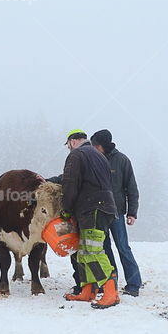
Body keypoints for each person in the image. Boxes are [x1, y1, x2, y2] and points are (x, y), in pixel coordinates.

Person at [59, 129, 119, 308]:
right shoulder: (98, 155)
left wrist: (66, 210)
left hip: (92, 207)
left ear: (73, 141)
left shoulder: (77, 155)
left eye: (67, 144)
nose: (68, 148)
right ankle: (87, 291)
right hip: (103, 206)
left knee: (93, 250)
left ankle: (111, 293)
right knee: (84, 252)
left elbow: (70, 184)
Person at [90, 129, 143, 297]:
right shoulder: (93, 160)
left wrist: (132, 212)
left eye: (95, 145)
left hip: (117, 213)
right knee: (103, 249)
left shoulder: (122, 160)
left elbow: (132, 188)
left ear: (101, 145)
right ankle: (109, 283)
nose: (93, 147)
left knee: (123, 247)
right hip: (99, 213)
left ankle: (134, 284)